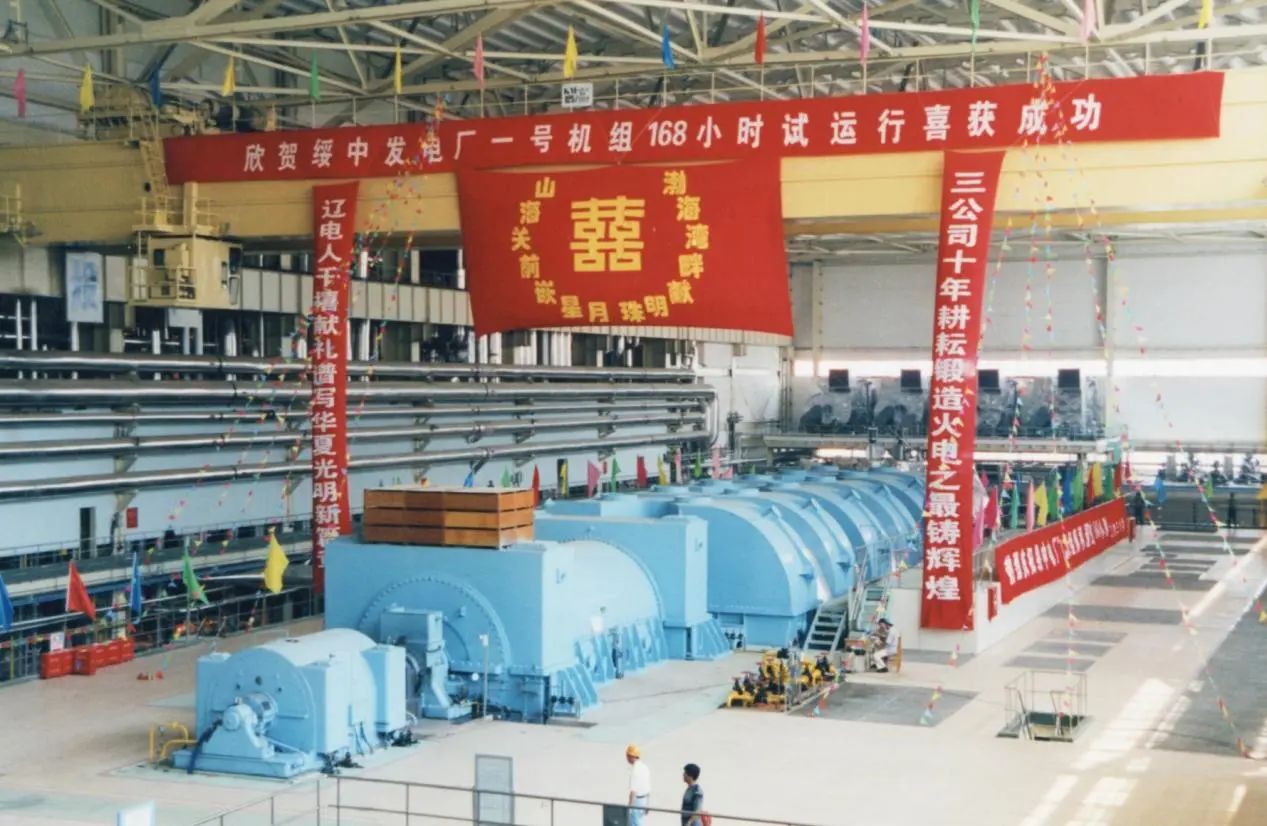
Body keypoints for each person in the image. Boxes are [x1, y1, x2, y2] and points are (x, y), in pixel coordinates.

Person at [626, 745, 650, 825]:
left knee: (634, 823)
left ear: (631, 756)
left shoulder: (635, 770)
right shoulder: (645, 767)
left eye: (627, 756)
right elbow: (648, 789)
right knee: (641, 822)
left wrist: (629, 807)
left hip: (636, 801)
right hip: (644, 800)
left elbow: (633, 791)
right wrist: (647, 804)